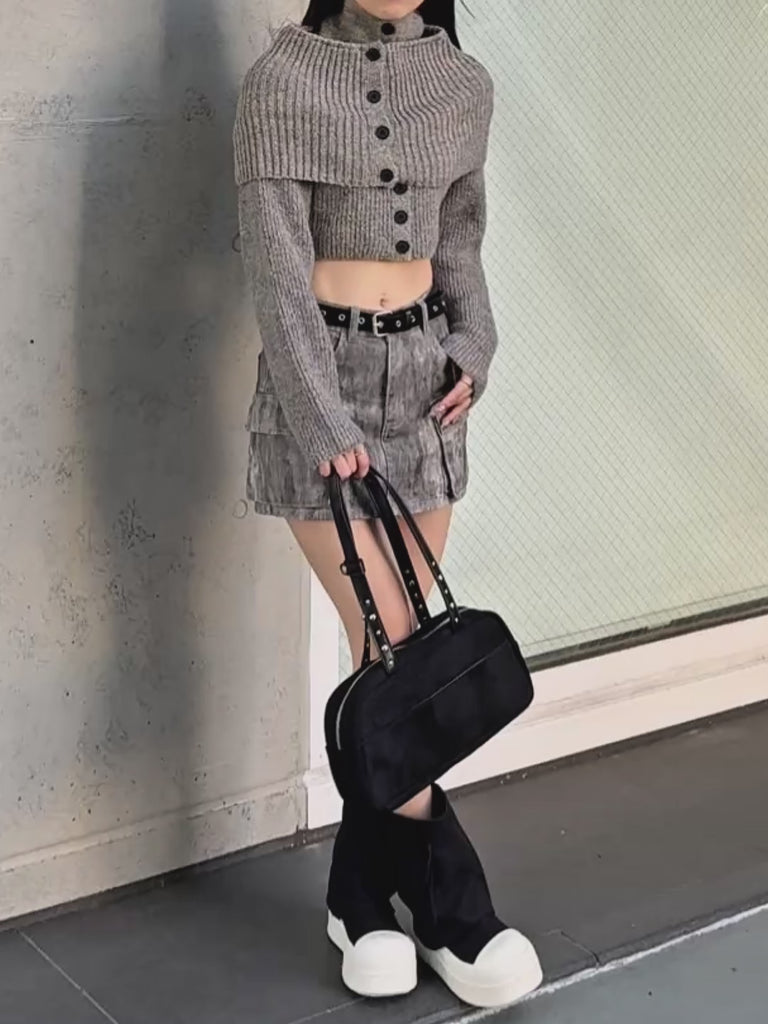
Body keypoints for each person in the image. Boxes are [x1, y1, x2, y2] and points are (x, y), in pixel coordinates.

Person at [233, 0, 543, 1008]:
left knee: (392, 659)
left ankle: (359, 897)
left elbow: (464, 243)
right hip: (319, 391)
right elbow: (276, 271)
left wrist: (473, 349)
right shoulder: (281, 83)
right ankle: (453, 908)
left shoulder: (462, 85)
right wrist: (322, 419)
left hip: (424, 389)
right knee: (399, 643)